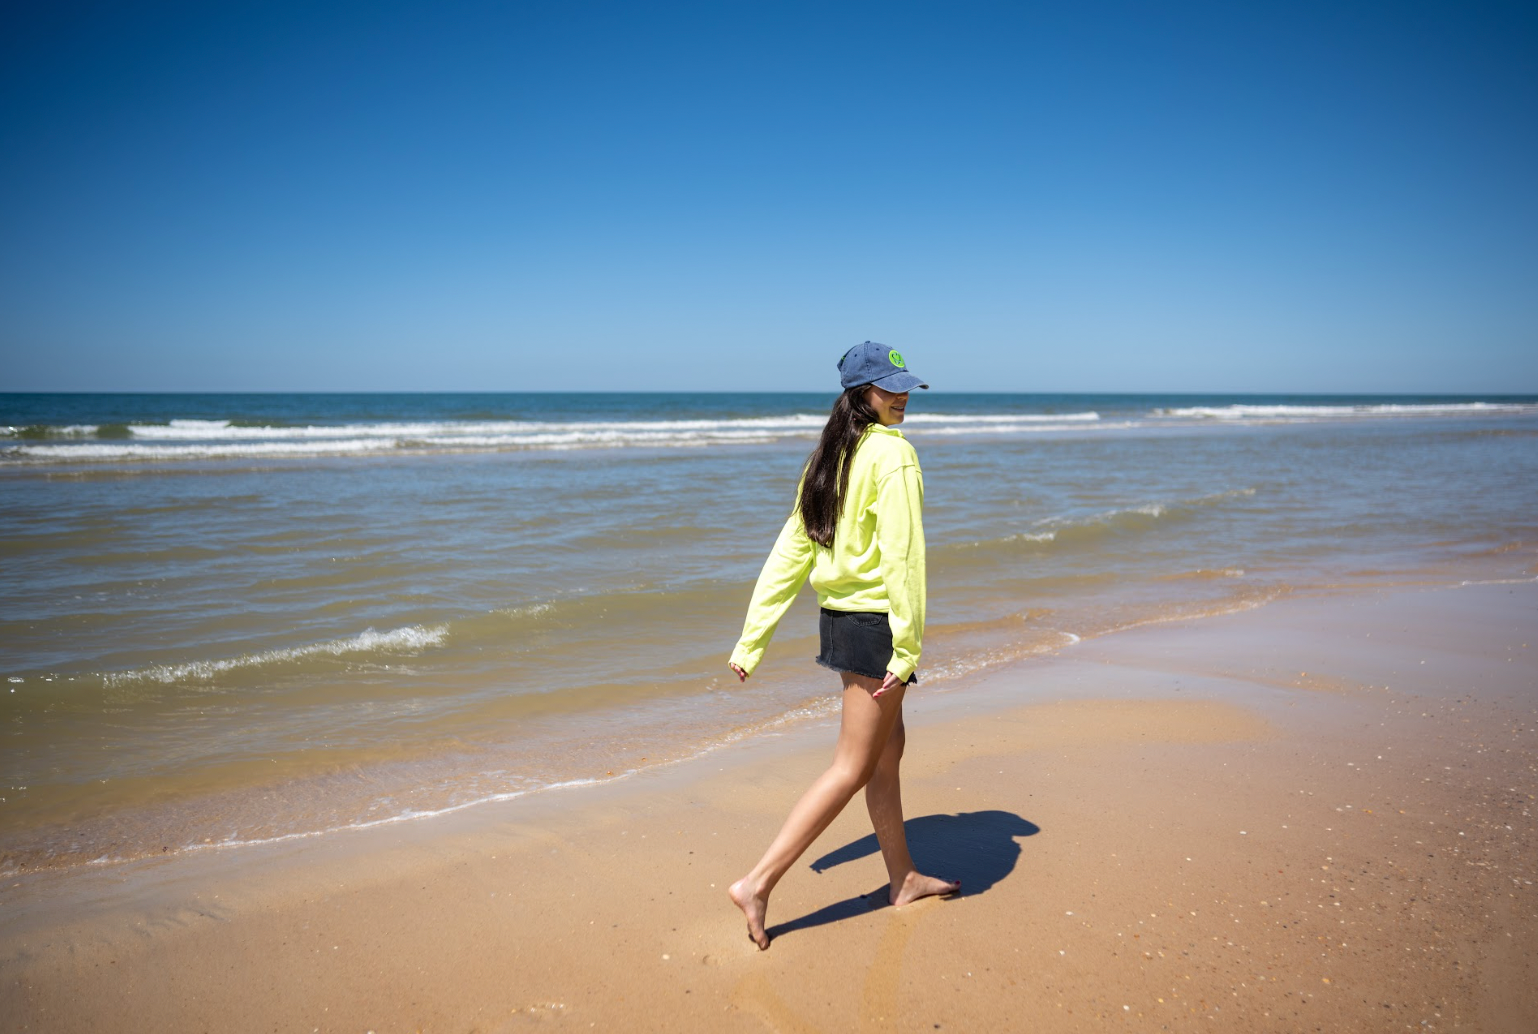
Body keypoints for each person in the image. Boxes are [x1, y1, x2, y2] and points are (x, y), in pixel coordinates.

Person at [726, 341, 960, 950]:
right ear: (862, 394)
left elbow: (791, 552)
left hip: (839, 622)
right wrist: (906, 650)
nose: (901, 396)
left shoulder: (830, 456)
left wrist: (753, 639)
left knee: (889, 748)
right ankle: (757, 882)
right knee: (852, 765)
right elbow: (905, 560)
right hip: (875, 627)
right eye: (888, 387)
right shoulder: (893, 456)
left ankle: (902, 876)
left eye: (904, 385)